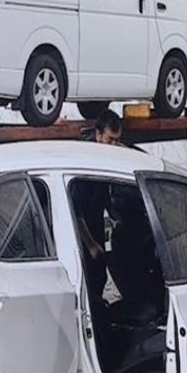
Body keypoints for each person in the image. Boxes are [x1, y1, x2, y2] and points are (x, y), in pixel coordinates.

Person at [73, 110, 124, 303]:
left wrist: (114, 214)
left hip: (95, 224)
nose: (114, 146)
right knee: (87, 282)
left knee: (99, 276)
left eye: (117, 141)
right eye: (110, 140)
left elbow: (103, 195)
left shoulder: (105, 159)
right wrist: (91, 245)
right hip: (79, 234)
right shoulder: (84, 163)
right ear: (98, 134)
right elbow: (75, 212)